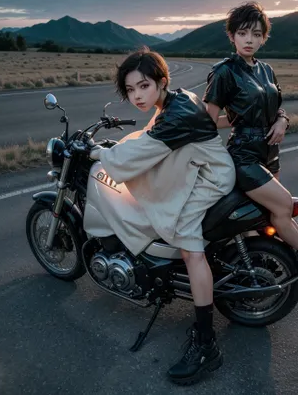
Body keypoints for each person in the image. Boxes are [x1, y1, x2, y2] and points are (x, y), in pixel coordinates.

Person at [88, 47, 235, 385]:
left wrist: (101, 152)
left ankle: (205, 344)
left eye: (144, 86)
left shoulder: (175, 114)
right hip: (202, 167)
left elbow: (143, 149)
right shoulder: (176, 100)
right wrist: (118, 146)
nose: (137, 95)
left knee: (190, 249)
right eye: (130, 89)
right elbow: (147, 138)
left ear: (161, 81)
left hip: (210, 176)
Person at [203, 2, 298, 272]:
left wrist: (282, 119)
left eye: (257, 34)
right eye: (243, 33)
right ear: (231, 35)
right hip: (244, 155)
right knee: (283, 206)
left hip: (270, 152)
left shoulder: (266, 69)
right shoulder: (224, 71)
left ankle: (256, 268)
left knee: (261, 219)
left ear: (264, 38)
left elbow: (274, 107)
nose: (249, 40)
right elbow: (209, 121)